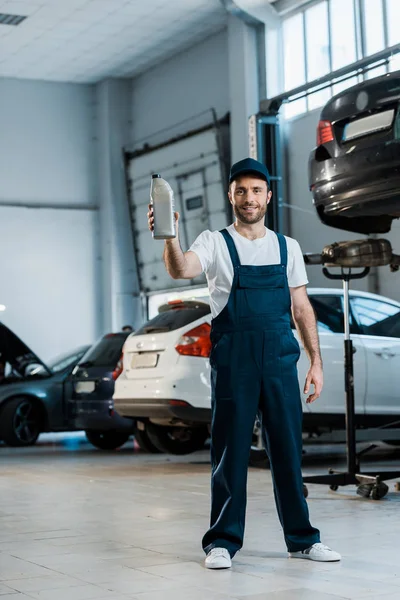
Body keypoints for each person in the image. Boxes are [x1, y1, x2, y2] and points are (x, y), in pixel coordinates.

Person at [147, 157, 341, 569]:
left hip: (279, 362)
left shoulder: (286, 247)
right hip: (234, 363)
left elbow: (301, 308)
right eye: (241, 190)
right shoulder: (214, 242)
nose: (248, 198)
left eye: (256, 190)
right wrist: (169, 235)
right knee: (230, 451)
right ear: (230, 195)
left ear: (268, 196)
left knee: (288, 451)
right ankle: (221, 541)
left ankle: (302, 539)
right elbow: (181, 268)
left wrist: (316, 363)